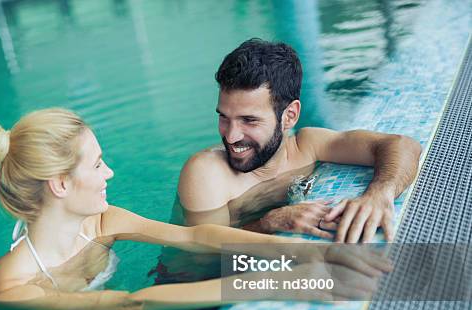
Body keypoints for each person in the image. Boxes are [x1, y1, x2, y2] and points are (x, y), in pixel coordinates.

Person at [0, 108, 390, 310]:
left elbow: (195, 235)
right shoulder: (8, 284)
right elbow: (127, 302)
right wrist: (275, 282)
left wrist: (297, 249)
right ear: (61, 185)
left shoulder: (104, 221)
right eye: (98, 164)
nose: (110, 174)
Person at [177, 38, 422, 243]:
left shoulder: (307, 146)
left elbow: (403, 145)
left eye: (249, 120)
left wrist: (379, 194)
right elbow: (203, 256)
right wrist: (269, 222)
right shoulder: (206, 172)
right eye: (224, 117)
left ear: (289, 116)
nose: (231, 136)